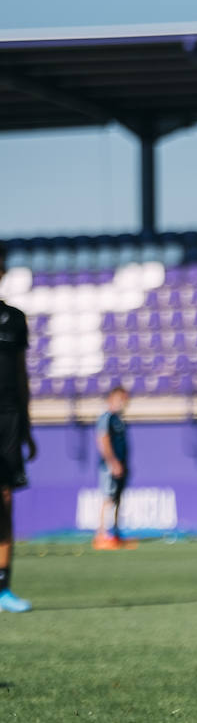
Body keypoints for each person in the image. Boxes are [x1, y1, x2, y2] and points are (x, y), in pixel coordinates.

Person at [0, 242, 35, 613]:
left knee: (5, 500)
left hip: (8, 416)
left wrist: (27, 425)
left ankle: (3, 588)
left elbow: (23, 375)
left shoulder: (14, 319)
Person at [92, 385, 134, 550]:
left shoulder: (119, 419)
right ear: (111, 399)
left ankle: (115, 533)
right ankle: (101, 534)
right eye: (120, 399)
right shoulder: (106, 417)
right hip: (110, 465)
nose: (123, 403)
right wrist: (112, 462)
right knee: (108, 498)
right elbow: (103, 439)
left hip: (121, 464)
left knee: (117, 499)